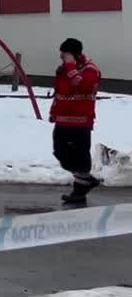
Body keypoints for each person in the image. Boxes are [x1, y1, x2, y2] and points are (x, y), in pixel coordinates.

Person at [50, 37, 102, 205]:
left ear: (74, 54)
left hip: (81, 121)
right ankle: (86, 179)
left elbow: (83, 86)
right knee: (60, 152)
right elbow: (60, 92)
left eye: (65, 54)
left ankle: (79, 192)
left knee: (80, 156)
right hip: (63, 120)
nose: (62, 56)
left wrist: (71, 66)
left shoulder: (91, 69)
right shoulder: (63, 69)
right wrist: (53, 112)